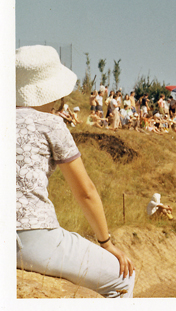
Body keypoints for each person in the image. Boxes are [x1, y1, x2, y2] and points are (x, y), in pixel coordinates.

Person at [15, 45, 135, 298]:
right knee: (123, 278)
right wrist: (106, 243)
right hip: (30, 238)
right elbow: (85, 191)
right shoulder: (50, 123)